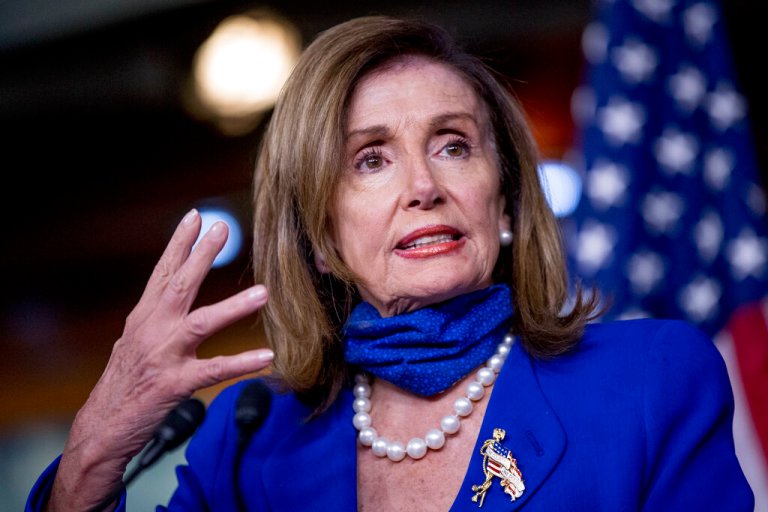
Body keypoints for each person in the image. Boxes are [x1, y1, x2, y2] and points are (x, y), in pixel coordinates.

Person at [27, 15, 754, 511]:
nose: (423, 187)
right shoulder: (247, 439)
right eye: (370, 159)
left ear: (502, 203)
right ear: (319, 235)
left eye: (453, 145)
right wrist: (92, 453)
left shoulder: (650, 379)